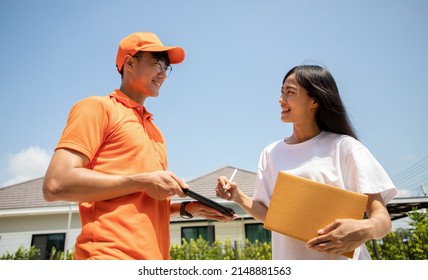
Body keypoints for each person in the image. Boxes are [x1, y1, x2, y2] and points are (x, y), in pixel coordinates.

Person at [43, 31, 234, 260]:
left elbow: (140, 201)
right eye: (156, 63)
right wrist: (142, 181)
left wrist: (185, 209)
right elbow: (55, 184)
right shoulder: (97, 108)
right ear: (130, 63)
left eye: (167, 67)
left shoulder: (155, 132)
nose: (163, 74)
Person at [216, 65, 397, 260]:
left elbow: (382, 220)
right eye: (281, 92)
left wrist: (366, 228)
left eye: (290, 92)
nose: (281, 99)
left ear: (314, 100)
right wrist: (238, 196)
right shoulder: (270, 153)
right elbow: (272, 216)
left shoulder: (345, 147)